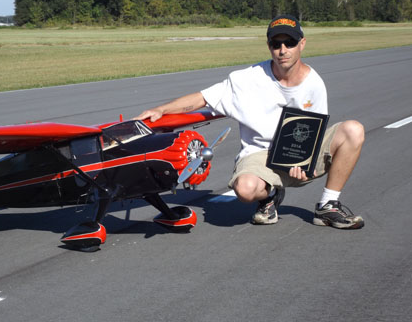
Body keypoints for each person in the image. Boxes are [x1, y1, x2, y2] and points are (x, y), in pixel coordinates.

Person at [135, 14, 365, 229]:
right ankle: (270, 196)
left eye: (290, 43)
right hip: (260, 154)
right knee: (245, 190)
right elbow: (203, 98)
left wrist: (304, 163)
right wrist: (161, 109)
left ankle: (328, 205)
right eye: (276, 44)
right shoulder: (247, 79)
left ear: (302, 44)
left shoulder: (314, 83)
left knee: (353, 130)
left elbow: (315, 129)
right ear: (269, 47)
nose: (283, 50)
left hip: (298, 152)